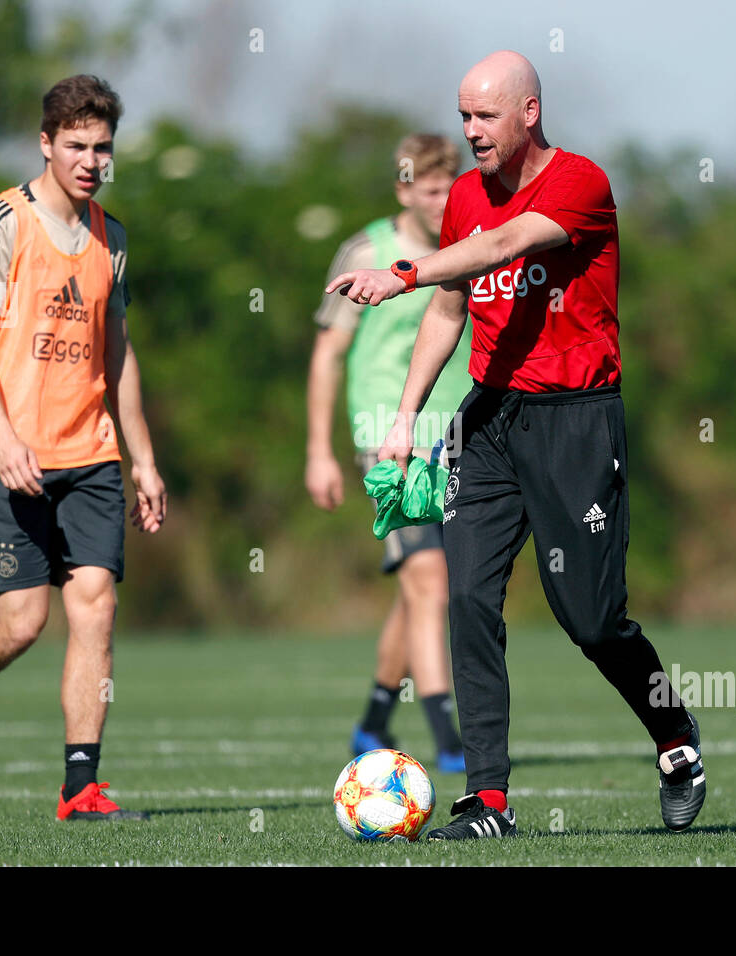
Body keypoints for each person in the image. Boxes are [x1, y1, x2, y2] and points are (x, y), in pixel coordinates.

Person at [325, 51, 706, 840]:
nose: (470, 132)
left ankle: (674, 738)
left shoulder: (581, 184)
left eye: (485, 117)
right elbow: (450, 309)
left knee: (593, 621)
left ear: (529, 112)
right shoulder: (462, 193)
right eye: (463, 115)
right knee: (465, 597)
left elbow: (500, 250)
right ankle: (487, 799)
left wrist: (404, 272)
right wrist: (406, 417)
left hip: (576, 420)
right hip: (488, 420)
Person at [0, 75, 166, 821]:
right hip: (9, 455)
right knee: (21, 624)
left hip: (93, 455)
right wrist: (6, 438)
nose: (90, 159)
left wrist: (142, 458)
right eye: (75, 145)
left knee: (96, 607)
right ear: (45, 143)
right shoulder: (0, 222)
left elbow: (120, 356)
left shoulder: (114, 237)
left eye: (102, 147)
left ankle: (81, 787)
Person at [307, 134, 470, 773]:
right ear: (404, 188)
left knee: (420, 587)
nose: (441, 201)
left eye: (448, 188)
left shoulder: (469, 248)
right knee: (430, 580)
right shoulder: (366, 251)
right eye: (429, 190)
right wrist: (320, 451)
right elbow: (329, 354)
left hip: (454, 435)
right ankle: (450, 741)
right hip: (386, 436)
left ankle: (375, 718)